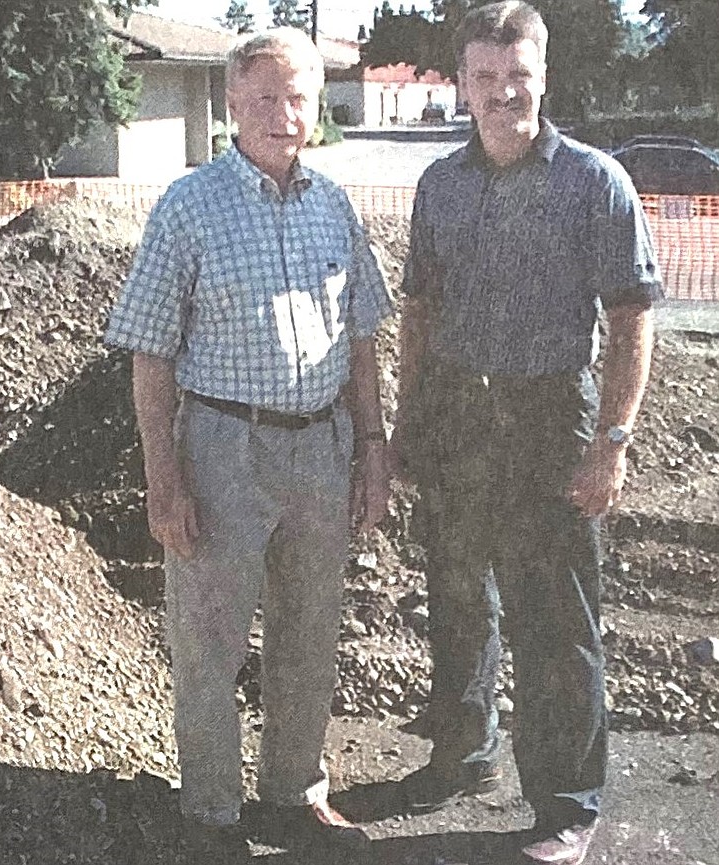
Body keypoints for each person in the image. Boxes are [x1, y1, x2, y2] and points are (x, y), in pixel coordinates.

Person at [104, 26, 392, 862]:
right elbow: (150, 351)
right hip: (224, 446)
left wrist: (372, 448)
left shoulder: (333, 206)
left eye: (299, 97)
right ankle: (211, 813)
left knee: (310, 629)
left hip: (321, 447)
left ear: (316, 108)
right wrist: (164, 478)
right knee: (210, 637)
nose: (284, 113)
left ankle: (292, 794)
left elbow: (364, 334)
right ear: (232, 104)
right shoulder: (188, 207)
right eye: (265, 96)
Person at [391, 3, 662, 864]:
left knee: (556, 621)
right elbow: (421, 314)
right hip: (457, 415)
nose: (503, 93)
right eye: (485, 78)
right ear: (462, 85)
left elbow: (630, 321)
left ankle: (566, 805)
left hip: (552, 419)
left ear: (542, 76)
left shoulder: (594, 182)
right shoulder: (441, 185)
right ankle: (461, 756)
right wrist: (406, 422)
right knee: (460, 600)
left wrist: (611, 440)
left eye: (518, 77)